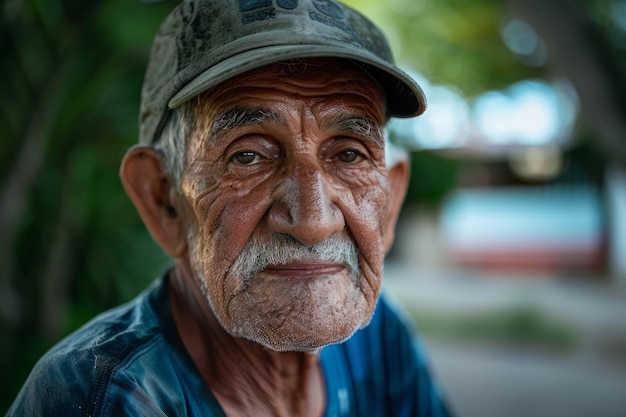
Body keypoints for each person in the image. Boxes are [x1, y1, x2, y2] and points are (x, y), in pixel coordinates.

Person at [7, 0, 452, 416]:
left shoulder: (377, 339)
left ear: (389, 204)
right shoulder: (104, 397)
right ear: (163, 200)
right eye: (248, 156)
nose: (314, 222)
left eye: (349, 154)